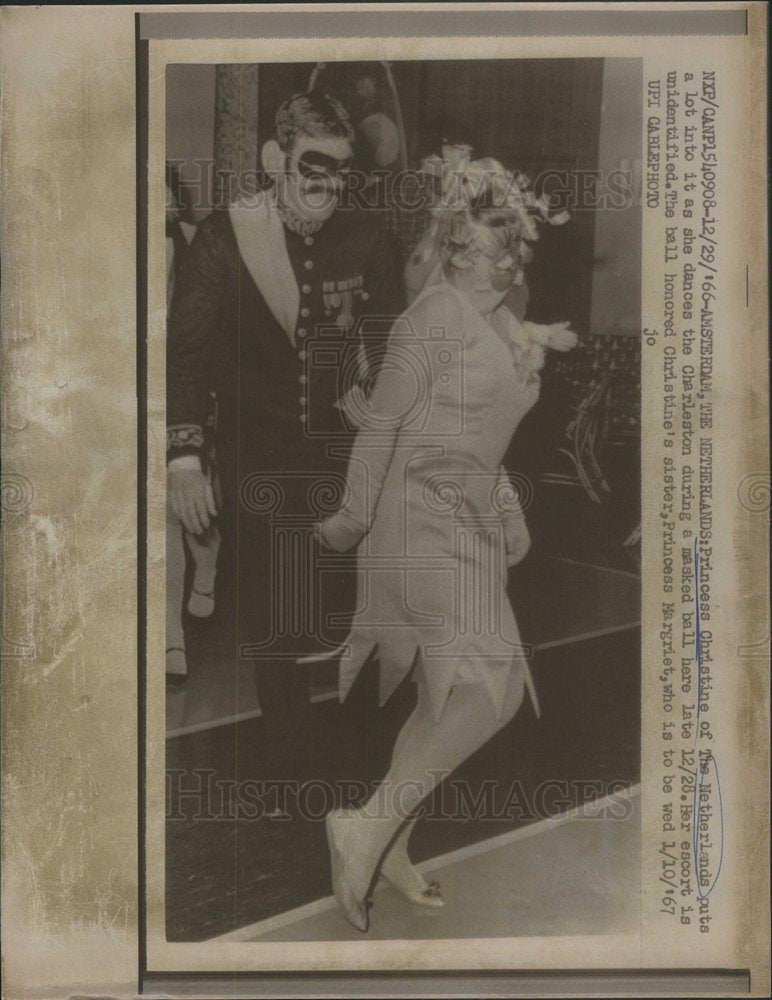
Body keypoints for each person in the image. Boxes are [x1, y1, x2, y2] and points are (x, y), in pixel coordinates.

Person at [319, 157, 577, 931]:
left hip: (465, 517)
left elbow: (479, 439)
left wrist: (508, 517)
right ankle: (363, 826)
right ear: (459, 245)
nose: (509, 261)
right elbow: (383, 430)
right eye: (495, 247)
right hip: (414, 518)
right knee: (490, 688)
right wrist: (352, 516)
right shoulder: (429, 319)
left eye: (515, 247)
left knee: (453, 686)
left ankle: (385, 837)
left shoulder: (501, 321)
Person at [167, 92, 403, 794]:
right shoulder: (224, 237)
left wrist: (381, 388)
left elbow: (392, 338)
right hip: (257, 456)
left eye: (340, 172)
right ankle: (287, 769)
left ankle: (363, 762)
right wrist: (183, 453)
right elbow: (186, 353)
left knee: (355, 608)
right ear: (277, 160)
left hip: (345, 452)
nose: (327, 187)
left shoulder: (369, 234)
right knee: (274, 615)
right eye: (312, 168)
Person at [165, 164, 221, 681]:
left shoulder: (193, 242)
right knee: (161, 514)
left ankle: (206, 569)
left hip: (186, 389)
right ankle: (168, 638)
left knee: (197, 511)